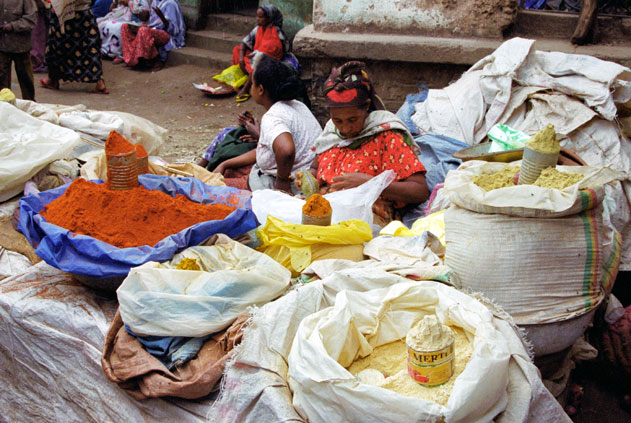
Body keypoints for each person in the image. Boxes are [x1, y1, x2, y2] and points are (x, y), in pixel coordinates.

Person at [308, 61, 429, 225]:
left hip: (367, 217)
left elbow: (420, 191)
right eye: (338, 120)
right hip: (322, 210)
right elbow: (315, 168)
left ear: (366, 107)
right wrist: (307, 178)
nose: (346, 128)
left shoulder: (387, 136)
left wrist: (371, 183)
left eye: (353, 119)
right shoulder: (330, 135)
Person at [214, 55, 321, 193]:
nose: (251, 88)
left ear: (260, 89)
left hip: (293, 183)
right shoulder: (298, 105)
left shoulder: (273, 117)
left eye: (252, 84)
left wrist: (282, 183)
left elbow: (286, 150)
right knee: (228, 170)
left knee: (212, 186)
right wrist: (225, 164)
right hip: (303, 174)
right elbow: (269, 150)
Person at [39, 0, 108, 94]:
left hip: (65, 12)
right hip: (82, 11)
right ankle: (100, 82)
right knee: (89, 46)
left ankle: (53, 79)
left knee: (58, 45)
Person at [232, 4, 293, 102]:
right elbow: (244, 42)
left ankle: (247, 87)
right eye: (257, 16)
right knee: (237, 50)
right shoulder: (258, 28)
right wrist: (240, 59)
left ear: (269, 19)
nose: (258, 19)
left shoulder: (276, 31)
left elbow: (282, 49)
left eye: (261, 17)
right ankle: (252, 78)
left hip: (270, 60)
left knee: (258, 59)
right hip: (257, 55)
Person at [119, 0, 185, 71]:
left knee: (143, 31)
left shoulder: (171, 4)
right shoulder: (155, 2)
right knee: (125, 27)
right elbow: (152, 22)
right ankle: (133, 59)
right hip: (153, 29)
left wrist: (162, 17)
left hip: (167, 34)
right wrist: (144, 22)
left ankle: (155, 59)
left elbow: (174, 30)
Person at [0, 0, 37, 101]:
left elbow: (31, 20)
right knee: (2, 82)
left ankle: (30, 103)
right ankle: (4, 105)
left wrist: (13, 26)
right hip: (2, 46)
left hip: (21, 47)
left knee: (26, 79)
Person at [29, 0, 49, 73]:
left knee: (44, 36)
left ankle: (39, 63)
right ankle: (36, 64)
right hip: (37, 7)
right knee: (38, 36)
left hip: (47, 6)